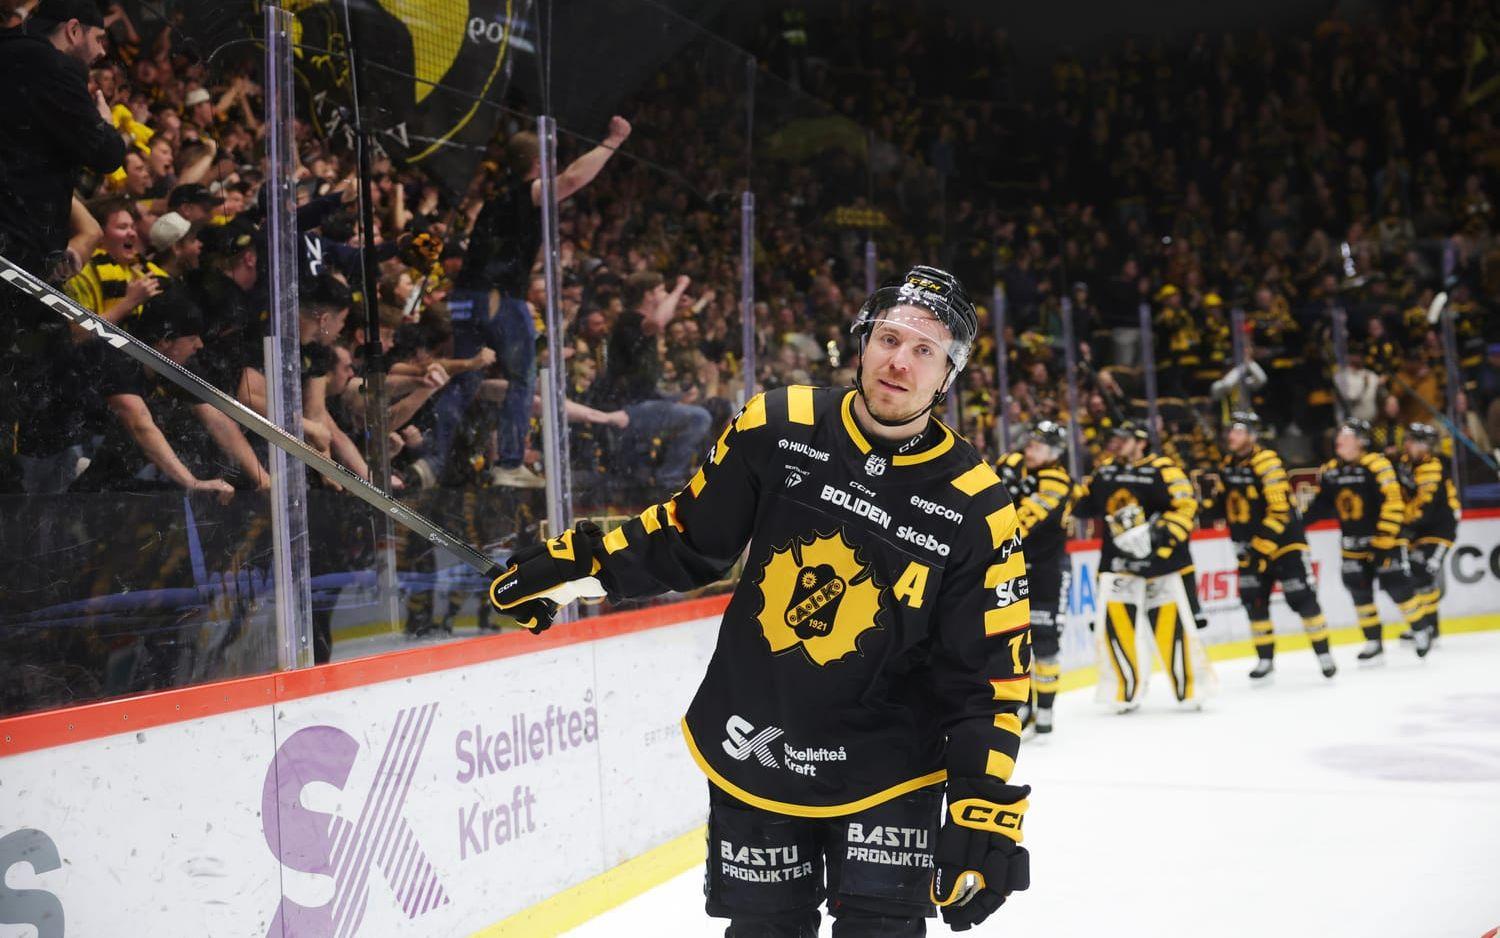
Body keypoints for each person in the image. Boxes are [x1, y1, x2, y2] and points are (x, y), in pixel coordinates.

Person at [489, 266, 1033, 936]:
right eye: (889, 338)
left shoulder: (977, 503)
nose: (900, 361)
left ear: (949, 374)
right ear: (863, 342)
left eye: (925, 350)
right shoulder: (779, 422)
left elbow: (989, 677)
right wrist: (581, 568)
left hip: (891, 772)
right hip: (758, 747)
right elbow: (687, 538)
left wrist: (983, 807)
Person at [428, 116, 632, 489]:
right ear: (538, 163)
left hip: (465, 297)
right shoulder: (528, 192)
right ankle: (509, 464)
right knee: (522, 379)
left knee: (466, 377)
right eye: (550, 160)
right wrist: (613, 141)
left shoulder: (498, 198)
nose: (555, 167)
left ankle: (431, 461)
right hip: (499, 299)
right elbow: (573, 180)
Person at [0, 0, 126, 493]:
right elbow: (107, 154)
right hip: (17, 254)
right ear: (73, 30)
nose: (101, 52)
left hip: (22, 248)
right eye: (99, 38)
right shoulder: (51, 67)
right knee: (46, 383)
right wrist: (105, 121)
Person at [1074, 422, 1213, 712]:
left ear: (1141, 442)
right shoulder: (1106, 470)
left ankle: (1190, 689)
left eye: (1125, 439)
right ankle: (1123, 693)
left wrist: (1160, 535)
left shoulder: (1165, 469)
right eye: (1116, 438)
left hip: (1160, 564)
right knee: (1117, 631)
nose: (1117, 443)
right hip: (1118, 564)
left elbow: (1187, 507)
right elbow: (1085, 504)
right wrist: (1069, 494)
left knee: (1173, 628)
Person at [1206, 412, 1336, 679]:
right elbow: (1221, 506)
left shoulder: (1268, 462)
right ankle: (1265, 660)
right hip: (1249, 549)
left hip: (1284, 545)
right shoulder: (1228, 465)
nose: (1231, 435)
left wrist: (1259, 547)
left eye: (1239, 430)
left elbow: (1280, 511)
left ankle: (1324, 655)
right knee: (1254, 602)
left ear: (1252, 436)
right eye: (1231, 430)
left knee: (1302, 598)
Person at [1304, 419, 1428, 660]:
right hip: (1352, 544)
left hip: (1385, 541)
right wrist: (1299, 521)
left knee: (1398, 587)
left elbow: (1393, 503)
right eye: (1340, 434)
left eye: (1347, 435)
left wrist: (1383, 539)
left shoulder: (1378, 465)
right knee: (1359, 591)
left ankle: (1421, 629)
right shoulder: (1330, 470)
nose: (1340, 438)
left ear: (1361, 441)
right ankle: (1373, 641)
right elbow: (1322, 505)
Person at [995, 419, 1073, 735]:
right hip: (1012, 567)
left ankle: (1046, 712)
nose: (1030, 450)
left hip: (1047, 571)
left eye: (1038, 447)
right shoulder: (1012, 463)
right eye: (1030, 443)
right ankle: (1022, 707)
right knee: (1013, 642)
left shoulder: (1058, 481)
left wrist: (1005, 499)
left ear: (1054, 452)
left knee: (1045, 641)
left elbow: (1024, 522)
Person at [1396, 423, 1459, 645]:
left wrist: (1403, 524)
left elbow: (1425, 506)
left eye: (1413, 441)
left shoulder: (1432, 467)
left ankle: (1428, 627)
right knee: (1418, 576)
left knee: (1420, 573)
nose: (1408, 445)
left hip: (1439, 530)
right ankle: (1430, 627)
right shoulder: (1405, 463)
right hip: (1419, 530)